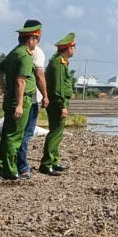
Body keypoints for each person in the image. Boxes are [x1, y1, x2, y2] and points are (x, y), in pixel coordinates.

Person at [0, 21, 40, 181]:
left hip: (11, 97)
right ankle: (9, 170)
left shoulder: (14, 52)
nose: (37, 42)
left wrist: (5, 88)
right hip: (21, 99)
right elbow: (21, 81)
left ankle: (3, 168)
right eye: (36, 39)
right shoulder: (25, 55)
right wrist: (19, 104)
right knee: (14, 136)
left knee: (8, 135)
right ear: (31, 39)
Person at [14, 18, 49, 178]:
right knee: (25, 134)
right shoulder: (37, 52)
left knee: (15, 134)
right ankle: (22, 166)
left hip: (17, 98)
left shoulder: (16, 50)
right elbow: (40, 75)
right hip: (30, 99)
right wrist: (46, 96)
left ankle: (10, 164)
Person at [39, 32, 75, 175]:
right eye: (73, 47)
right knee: (55, 133)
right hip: (57, 103)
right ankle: (47, 164)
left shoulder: (61, 61)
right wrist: (63, 106)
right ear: (69, 48)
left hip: (58, 102)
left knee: (57, 133)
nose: (74, 50)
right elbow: (58, 88)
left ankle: (53, 160)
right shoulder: (58, 63)